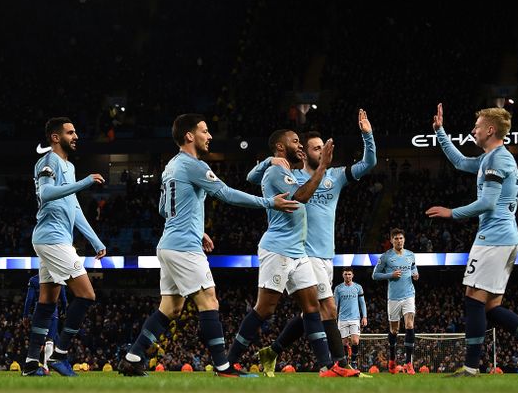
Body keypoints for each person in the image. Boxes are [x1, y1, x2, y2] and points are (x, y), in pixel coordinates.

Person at [118, 114, 299, 377]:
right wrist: (270, 202)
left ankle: (133, 358)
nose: (210, 136)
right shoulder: (193, 165)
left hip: (169, 244)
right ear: (189, 136)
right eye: (204, 131)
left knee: (171, 307)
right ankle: (223, 367)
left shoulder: (171, 166)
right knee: (209, 301)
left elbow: (163, 208)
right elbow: (225, 193)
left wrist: (197, 229)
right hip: (183, 247)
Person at [425, 104, 518, 377]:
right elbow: (461, 162)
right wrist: (440, 132)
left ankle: (470, 368)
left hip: (494, 237)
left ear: (490, 130)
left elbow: (487, 202)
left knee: (473, 299)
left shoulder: (499, 159)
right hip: (504, 237)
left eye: (477, 126)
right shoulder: (492, 158)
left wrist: (452, 213)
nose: (473, 130)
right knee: (491, 307)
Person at [251, 109, 376, 376]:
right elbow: (255, 178)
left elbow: (369, 164)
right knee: (328, 307)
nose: (323, 151)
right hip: (302, 253)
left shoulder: (336, 177)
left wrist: (368, 136)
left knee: (314, 311)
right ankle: (339, 364)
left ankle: (272, 351)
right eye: (316, 148)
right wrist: (268, 160)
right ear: (304, 153)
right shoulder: (292, 178)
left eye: (323, 147)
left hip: (326, 253)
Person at [226, 129, 356, 377]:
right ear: (279, 146)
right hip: (278, 248)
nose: (300, 145)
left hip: (299, 251)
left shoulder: (286, 171)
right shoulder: (275, 171)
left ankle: (327, 366)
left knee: (311, 308)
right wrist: (322, 167)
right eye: (295, 141)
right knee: (265, 309)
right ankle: (228, 363)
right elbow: (302, 196)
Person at [24, 117, 107, 377]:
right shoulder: (48, 162)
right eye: (71, 132)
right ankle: (60, 354)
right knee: (86, 295)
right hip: (52, 239)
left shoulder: (68, 167)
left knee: (48, 301)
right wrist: (86, 182)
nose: (76, 136)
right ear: (55, 137)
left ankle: (29, 364)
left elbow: (74, 208)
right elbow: (46, 194)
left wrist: (95, 240)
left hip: (55, 239)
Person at [373, 228, 418, 374]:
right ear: (391, 240)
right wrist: (390, 274)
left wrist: (415, 273)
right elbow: (375, 275)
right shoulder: (386, 257)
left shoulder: (410, 255)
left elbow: (413, 267)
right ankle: (392, 358)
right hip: (393, 297)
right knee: (394, 330)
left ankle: (408, 363)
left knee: (410, 325)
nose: (399, 241)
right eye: (396, 238)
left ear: (404, 239)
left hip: (409, 295)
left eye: (401, 238)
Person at [23, 274, 67, 366]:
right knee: (50, 340)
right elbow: (63, 299)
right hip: (52, 310)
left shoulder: (34, 280)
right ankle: (47, 366)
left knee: (36, 340)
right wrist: (64, 310)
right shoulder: (58, 277)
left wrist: (25, 315)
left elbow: (29, 299)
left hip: (38, 310)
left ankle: (31, 365)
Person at [333, 268, 367, 368]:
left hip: (355, 318)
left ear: (352, 275)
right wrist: (334, 318)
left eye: (349, 274)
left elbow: (362, 303)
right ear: (342, 275)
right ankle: (346, 364)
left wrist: (364, 316)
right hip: (342, 319)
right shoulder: (338, 288)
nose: (347, 276)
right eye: (346, 274)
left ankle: (353, 362)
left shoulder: (358, 287)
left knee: (355, 341)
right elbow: (335, 305)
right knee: (344, 343)